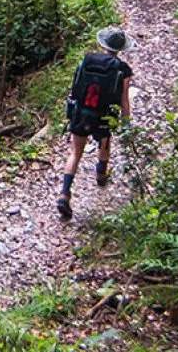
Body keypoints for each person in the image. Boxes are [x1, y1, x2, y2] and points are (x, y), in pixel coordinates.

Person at [57, 27, 134, 220]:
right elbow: (124, 100)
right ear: (120, 49)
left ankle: (64, 193)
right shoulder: (122, 70)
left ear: (103, 45)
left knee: (75, 152)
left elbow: (75, 87)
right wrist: (126, 122)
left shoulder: (87, 60)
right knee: (105, 142)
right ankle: (101, 175)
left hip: (81, 113)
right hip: (103, 115)